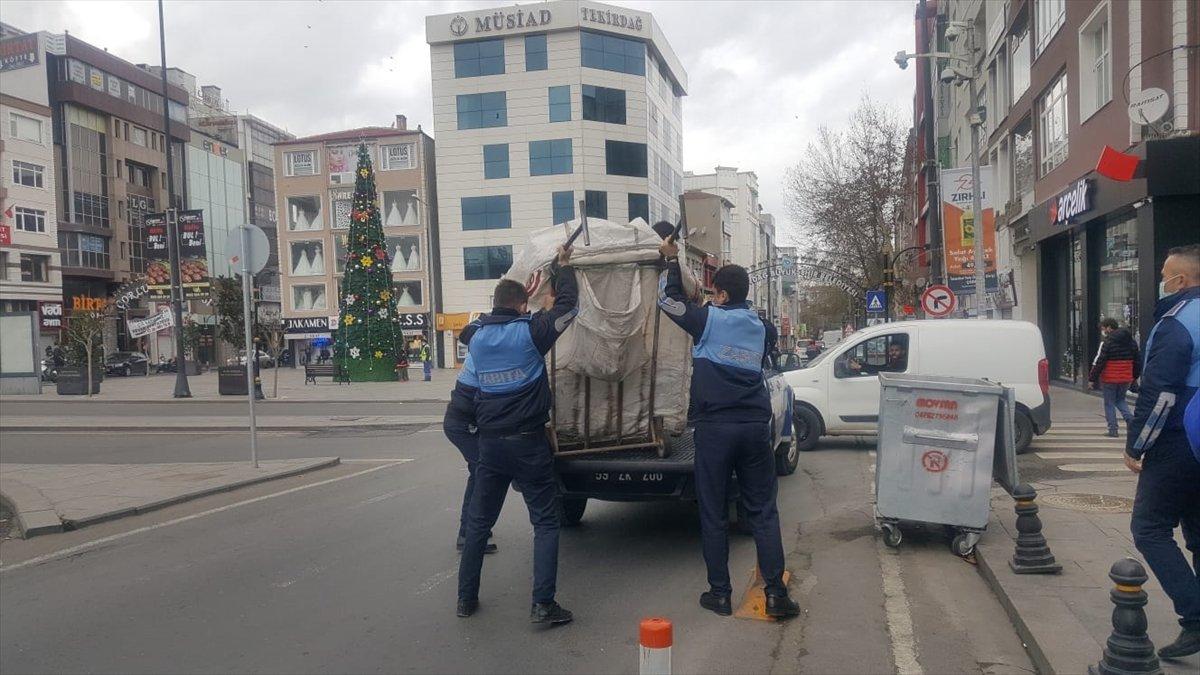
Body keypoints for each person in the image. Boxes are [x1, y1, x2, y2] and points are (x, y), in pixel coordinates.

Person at [657, 236, 800, 619]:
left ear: (718, 294)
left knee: (714, 512)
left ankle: (719, 594)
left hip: (715, 429)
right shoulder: (763, 327)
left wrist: (672, 262)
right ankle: (776, 595)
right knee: (764, 512)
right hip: (754, 427)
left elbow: (668, 301)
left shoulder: (706, 319)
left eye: (714, 293)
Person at [457, 244, 578, 624]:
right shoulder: (532, 332)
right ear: (523, 305)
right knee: (544, 522)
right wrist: (563, 268)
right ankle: (543, 605)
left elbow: (466, 330)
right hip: (528, 442)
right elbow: (568, 309)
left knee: (479, 523)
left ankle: (465, 600)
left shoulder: (476, 337)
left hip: (490, 444)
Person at [1125, 243, 1200, 659]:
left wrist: (1137, 445)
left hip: (1181, 439)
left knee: (1150, 528)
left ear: (1181, 281)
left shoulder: (1178, 321)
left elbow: (1160, 394)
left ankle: (1194, 615)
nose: (1162, 283)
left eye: (1166, 276)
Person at [442, 341, 497, 555]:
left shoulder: (483, 349)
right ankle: (467, 533)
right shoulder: (485, 356)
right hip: (462, 425)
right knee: (481, 472)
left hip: (466, 423)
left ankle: (475, 528)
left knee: (481, 471)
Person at [1089, 318, 1140, 437]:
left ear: (1109, 327)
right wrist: (1134, 376)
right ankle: (1130, 421)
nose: (1103, 331)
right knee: (1120, 400)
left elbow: (1100, 362)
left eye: (1104, 328)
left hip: (1110, 377)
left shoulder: (1108, 342)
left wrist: (1092, 379)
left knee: (1109, 403)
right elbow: (1137, 360)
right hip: (1126, 377)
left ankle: (1113, 429)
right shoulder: (1131, 342)